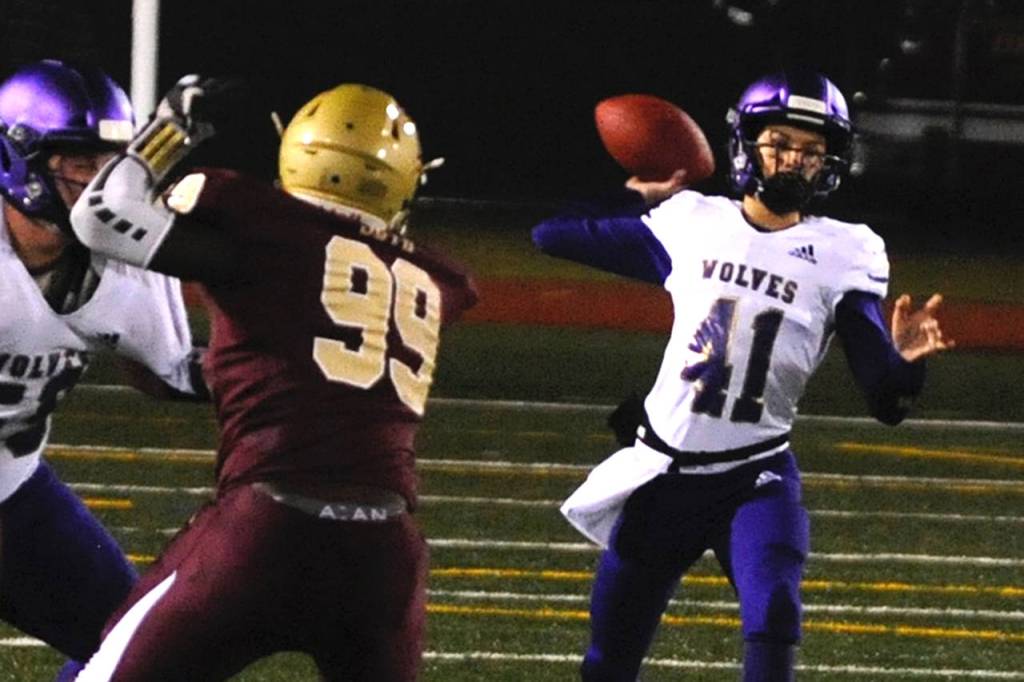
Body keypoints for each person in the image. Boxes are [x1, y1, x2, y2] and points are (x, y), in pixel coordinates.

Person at [532, 69, 954, 681]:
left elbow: (887, 402)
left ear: (831, 161)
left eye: (811, 149)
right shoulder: (692, 221)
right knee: (610, 654)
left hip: (755, 474)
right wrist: (639, 196)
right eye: (780, 142)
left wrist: (908, 364)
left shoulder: (846, 252)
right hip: (665, 474)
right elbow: (551, 236)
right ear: (748, 144)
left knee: (775, 609)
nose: (794, 160)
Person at [68, 77, 477, 681]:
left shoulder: (258, 218)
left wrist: (171, 127)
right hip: (385, 556)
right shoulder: (438, 278)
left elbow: (101, 217)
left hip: (265, 532)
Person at [0, 59, 207, 673]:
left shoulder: (123, 257)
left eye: (112, 165)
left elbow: (169, 372)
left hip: (13, 495)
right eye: (81, 164)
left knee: (141, 653)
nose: (102, 185)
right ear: (19, 160)